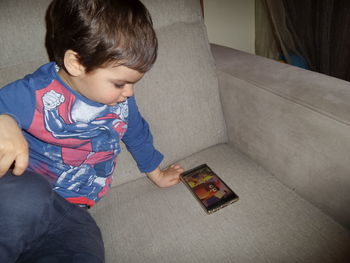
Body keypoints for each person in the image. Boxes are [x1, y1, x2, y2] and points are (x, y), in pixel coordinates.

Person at [0, 0, 184, 262]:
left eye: (132, 84)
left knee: (87, 249)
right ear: (75, 63)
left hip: (73, 215)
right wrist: (3, 120)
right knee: (27, 197)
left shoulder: (120, 100)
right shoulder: (35, 93)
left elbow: (136, 133)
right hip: (25, 192)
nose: (129, 93)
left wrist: (156, 174)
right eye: (120, 83)